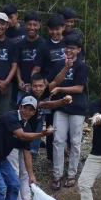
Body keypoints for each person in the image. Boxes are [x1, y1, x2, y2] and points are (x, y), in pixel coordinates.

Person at [9, 73, 73, 200]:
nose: (38, 88)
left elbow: (53, 86)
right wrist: (62, 101)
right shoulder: (27, 98)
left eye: (41, 86)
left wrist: (67, 67)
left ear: (45, 86)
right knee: (15, 171)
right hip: (13, 140)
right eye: (35, 86)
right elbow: (45, 105)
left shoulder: (41, 95)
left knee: (25, 172)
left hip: (26, 140)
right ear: (30, 86)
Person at [47, 34, 88, 190]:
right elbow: (52, 84)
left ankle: (71, 173)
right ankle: (57, 174)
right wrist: (65, 67)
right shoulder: (58, 64)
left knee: (75, 141)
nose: (69, 50)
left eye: (72, 48)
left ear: (78, 50)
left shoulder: (82, 66)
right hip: (60, 107)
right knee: (58, 140)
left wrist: (60, 89)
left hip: (77, 108)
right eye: (67, 47)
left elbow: (79, 88)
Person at [32, 13, 66, 167]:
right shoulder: (44, 46)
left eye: (57, 29)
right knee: (49, 123)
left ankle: (66, 154)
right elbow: (37, 69)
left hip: (67, 89)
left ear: (63, 28)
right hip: (48, 90)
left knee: (64, 124)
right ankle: (49, 157)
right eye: (51, 29)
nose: (54, 32)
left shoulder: (69, 44)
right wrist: (38, 85)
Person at [14, 11, 45, 100]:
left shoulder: (44, 44)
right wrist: (19, 80)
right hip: (23, 86)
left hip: (40, 88)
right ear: (25, 25)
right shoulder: (19, 45)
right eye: (29, 24)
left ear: (39, 25)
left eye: (35, 25)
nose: (32, 27)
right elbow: (17, 65)